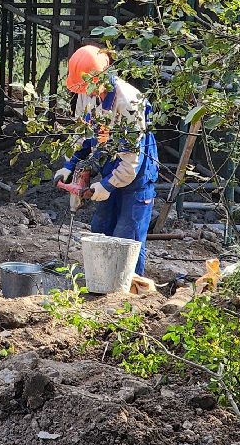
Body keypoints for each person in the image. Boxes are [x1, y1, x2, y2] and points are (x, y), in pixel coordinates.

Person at [53, 45, 160, 277]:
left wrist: (105, 186)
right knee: (100, 230)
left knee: (126, 240)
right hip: (110, 164)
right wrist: (68, 166)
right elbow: (83, 134)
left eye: (88, 87)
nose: (86, 93)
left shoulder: (129, 103)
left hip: (137, 175)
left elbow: (132, 162)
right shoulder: (86, 92)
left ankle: (130, 294)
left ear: (101, 77)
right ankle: (100, 290)